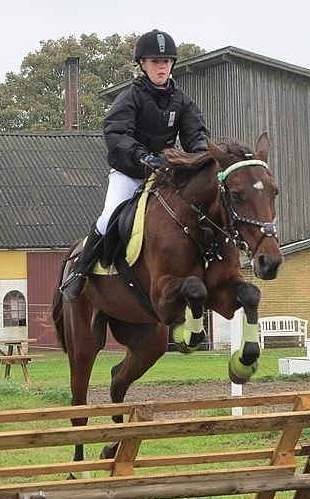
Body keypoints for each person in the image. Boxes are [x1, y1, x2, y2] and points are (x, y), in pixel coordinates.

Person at [60, 29, 210, 302]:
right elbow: (116, 134)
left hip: (165, 174)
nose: (161, 66)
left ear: (172, 64)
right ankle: (79, 274)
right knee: (108, 219)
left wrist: (202, 155)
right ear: (143, 64)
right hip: (129, 173)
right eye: (155, 61)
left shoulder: (182, 101)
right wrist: (142, 156)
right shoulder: (130, 97)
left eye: (166, 62)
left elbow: (196, 135)